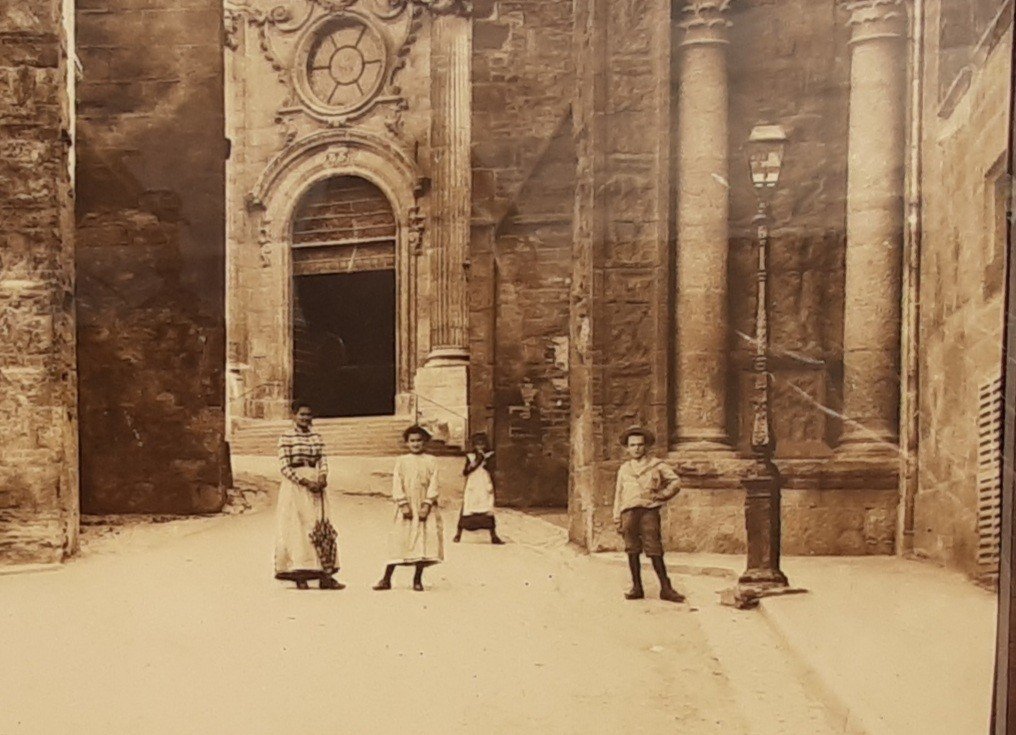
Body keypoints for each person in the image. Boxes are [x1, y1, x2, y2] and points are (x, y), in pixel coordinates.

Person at [274, 400, 344, 591]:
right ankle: (300, 573)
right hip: (296, 486)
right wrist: (304, 482)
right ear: (294, 415)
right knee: (299, 527)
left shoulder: (316, 437)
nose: (305, 418)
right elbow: (284, 467)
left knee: (320, 526)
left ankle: (325, 574)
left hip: (317, 486)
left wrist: (322, 476)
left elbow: (323, 459)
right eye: (302, 414)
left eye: (308, 414)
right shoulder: (286, 437)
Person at [612, 426, 684, 603]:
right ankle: (637, 587)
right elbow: (618, 493)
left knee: (654, 548)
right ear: (627, 448)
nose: (636, 448)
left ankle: (666, 588)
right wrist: (616, 517)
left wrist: (661, 495)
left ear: (646, 447)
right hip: (628, 512)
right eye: (632, 445)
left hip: (648, 511)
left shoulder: (656, 465)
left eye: (640, 445)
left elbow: (675, 482)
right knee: (632, 549)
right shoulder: (624, 469)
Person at [373, 425, 444, 592]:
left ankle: (417, 579)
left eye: (419, 440)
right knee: (399, 540)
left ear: (425, 442)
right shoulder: (402, 461)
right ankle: (386, 578)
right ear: (406, 443)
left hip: (424, 505)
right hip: (407, 506)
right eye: (412, 441)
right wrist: (402, 503)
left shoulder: (431, 460)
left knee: (422, 542)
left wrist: (427, 504)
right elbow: (397, 482)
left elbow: (435, 483)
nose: (416, 444)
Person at [454, 432, 504, 544]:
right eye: (477, 444)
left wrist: (485, 462)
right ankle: (458, 533)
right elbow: (465, 472)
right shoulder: (470, 457)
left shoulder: (490, 455)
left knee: (487, 506)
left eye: (482, 444)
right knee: (468, 505)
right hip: (473, 482)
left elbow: (493, 469)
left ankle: (493, 535)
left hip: (484, 481)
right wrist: (472, 465)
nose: (480, 447)